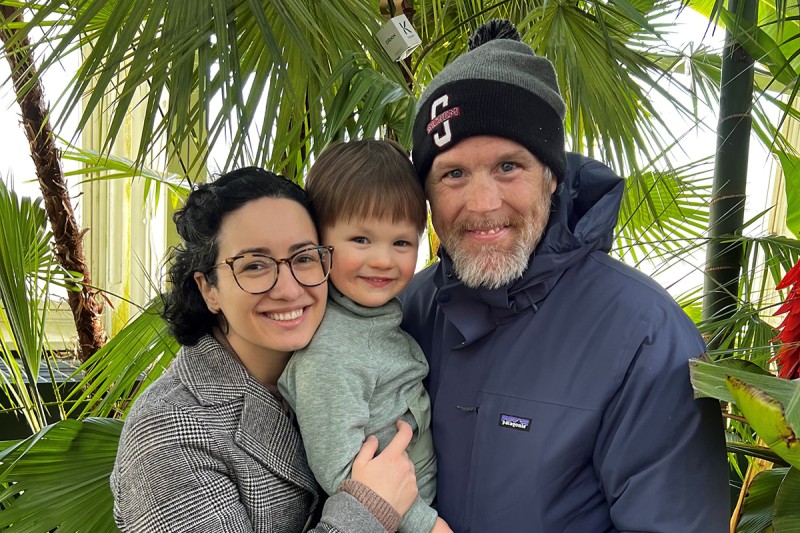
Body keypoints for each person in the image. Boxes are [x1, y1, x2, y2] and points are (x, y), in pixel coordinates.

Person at [399, 19, 730, 532]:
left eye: (508, 167)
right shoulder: (404, 311)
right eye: (454, 173)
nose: (482, 204)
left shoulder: (644, 336)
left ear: (552, 176)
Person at [110, 167, 419, 532]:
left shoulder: (351, 361)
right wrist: (369, 510)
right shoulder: (168, 429)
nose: (289, 289)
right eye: (255, 265)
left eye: (304, 258)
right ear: (209, 289)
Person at [279, 140, 451, 533]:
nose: (383, 260)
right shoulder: (329, 353)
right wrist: (428, 525)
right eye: (361, 240)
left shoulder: (379, 318)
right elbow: (341, 472)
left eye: (401, 242)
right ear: (318, 242)